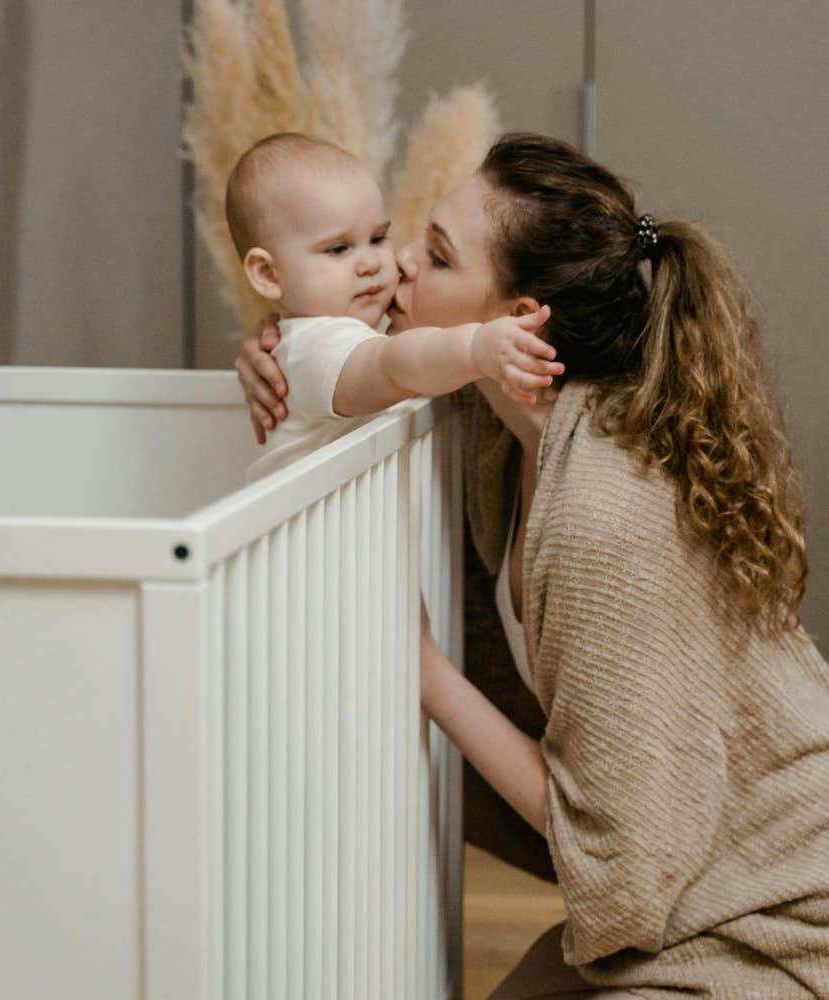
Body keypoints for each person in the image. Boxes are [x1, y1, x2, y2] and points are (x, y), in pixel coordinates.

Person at [235, 132, 829, 998]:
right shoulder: (494, 419)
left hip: (775, 907)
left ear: (515, 324)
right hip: (687, 871)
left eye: (433, 256)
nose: (393, 265)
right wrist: (284, 343)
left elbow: (616, 847)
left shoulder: (606, 511)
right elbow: (367, 368)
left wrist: (422, 670)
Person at [225, 132, 561, 479]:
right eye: (338, 249)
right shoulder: (313, 348)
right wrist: (474, 347)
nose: (373, 262)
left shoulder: (360, 335)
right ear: (267, 274)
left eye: (377, 238)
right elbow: (391, 363)